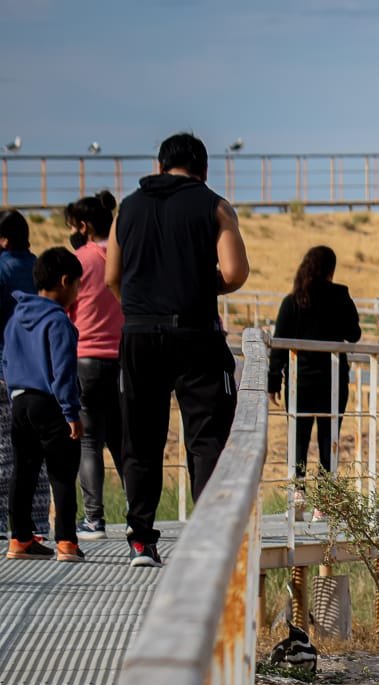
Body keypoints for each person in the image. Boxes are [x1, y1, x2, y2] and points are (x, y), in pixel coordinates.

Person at [107, 132, 249, 568]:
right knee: (205, 437)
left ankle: (141, 540)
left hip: (139, 335)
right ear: (203, 169)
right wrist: (203, 286)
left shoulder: (126, 208)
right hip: (195, 335)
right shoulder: (214, 205)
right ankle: (204, 539)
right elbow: (235, 271)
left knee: (142, 436)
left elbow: (113, 275)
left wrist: (141, 309)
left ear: (159, 165)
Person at [4, 248, 84, 562]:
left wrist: (14, 392)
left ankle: (20, 539)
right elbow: (63, 370)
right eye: (78, 285)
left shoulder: (15, 318)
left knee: (23, 472)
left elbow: (7, 360)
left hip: (20, 401)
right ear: (65, 282)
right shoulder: (58, 322)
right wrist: (71, 412)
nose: (78, 291)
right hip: (50, 403)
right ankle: (66, 541)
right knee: (62, 472)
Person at [268, 246, 361, 513]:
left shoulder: (293, 300)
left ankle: (297, 493)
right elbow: (353, 334)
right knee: (328, 440)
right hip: (333, 381)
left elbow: (279, 344)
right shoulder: (340, 296)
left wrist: (273, 381)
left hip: (300, 382)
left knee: (298, 439)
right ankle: (325, 501)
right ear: (330, 269)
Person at [64, 191, 125, 540]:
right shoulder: (123, 256)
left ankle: (94, 519)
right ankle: (137, 517)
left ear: (83, 226)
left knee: (89, 443)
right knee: (121, 442)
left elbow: (68, 309)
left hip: (85, 357)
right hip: (121, 359)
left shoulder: (79, 261)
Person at [0, 210, 53, 537]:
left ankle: (6, 524)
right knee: (37, 450)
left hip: (5, 364)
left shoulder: (2, 270)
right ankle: (37, 523)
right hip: (39, 366)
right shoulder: (37, 267)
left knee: (5, 450)